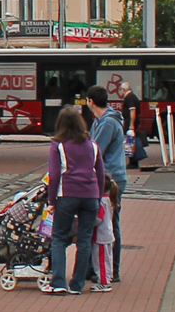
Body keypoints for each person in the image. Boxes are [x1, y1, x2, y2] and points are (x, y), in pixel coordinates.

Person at [40, 105, 105, 295]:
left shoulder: (58, 145)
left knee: (59, 238)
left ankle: (59, 282)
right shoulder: (93, 145)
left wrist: (52, 202)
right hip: (91, 195)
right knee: (84, 240)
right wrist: (98, 196)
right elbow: (100, 172)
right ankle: (77, 284)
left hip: (67, 194)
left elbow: (54, 175)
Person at [87, 85, 128, 283]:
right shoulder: (100, 121)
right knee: (101, 221)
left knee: (110, 224)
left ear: (90, 101)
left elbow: (95, 152)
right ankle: (95, 267)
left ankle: (113, 269)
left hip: (111, 179)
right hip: (105, 177)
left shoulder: (107, 124)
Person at [91, 175, 120, 292]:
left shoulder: (100, 202)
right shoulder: (108, 200)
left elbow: (98, 219)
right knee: (106, 259)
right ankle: (107, 277)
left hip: (101, 235)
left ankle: (104, 282)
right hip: (107, 234)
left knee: (100, 260)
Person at [119, 81, 142, 168]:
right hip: (130, 123)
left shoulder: (130, 98)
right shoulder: (132, 97)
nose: (121, 92)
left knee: (130, 142)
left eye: (121, 90)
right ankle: (132, 161)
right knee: (130, 142)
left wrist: (131, 125)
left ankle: (133, 162)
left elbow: (133, 111)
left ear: (124, 89)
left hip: (130, 124)